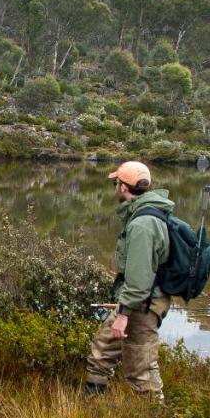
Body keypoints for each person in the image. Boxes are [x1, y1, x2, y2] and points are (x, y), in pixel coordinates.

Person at [84, 160, 173, 399]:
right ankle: (93, 404)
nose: (115, 187)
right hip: (136, 300)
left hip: (141, 304)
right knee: (102, 351)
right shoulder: (143, 215)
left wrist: (122, 315)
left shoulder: (142, 225)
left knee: (140, 368)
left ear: (123, 187)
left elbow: (140, 279)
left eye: (116, 183)